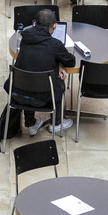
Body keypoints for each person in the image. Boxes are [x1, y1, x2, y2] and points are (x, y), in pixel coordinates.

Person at [13, 8, 75, 136]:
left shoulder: (25, 38)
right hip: (44, 98)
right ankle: (56, 123)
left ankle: (30, 124)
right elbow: (71, 61)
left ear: (35, 23)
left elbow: (36, 58)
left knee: (29, 78)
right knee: (59, 84)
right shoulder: (55, 44)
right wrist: (59, 65)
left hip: (19, 93)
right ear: (54, 26)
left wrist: (56, 67)